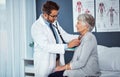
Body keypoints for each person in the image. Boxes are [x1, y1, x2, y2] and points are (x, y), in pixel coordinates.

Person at [31, 1, 80, 77]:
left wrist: (79, 37)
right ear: (45, 15)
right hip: (45, 62)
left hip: (57, 61)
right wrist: (67, 46)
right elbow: (46, 46)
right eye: (53, 16)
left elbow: (64, 35)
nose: (55, 18)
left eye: (57, 15)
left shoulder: (54, 22)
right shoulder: (37, 27)